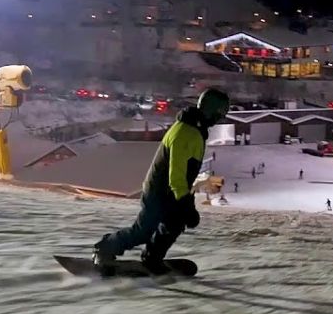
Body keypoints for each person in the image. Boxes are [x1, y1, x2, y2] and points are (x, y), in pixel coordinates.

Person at [93, 89, 231, 274]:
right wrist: (185, 202)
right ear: (211, 111)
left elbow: (185, 173)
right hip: (159, 191)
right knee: (143, 231)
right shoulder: (186, 131)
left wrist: (186, 202)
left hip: (173, 191)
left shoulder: (195, 129)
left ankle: (152, 258)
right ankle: (105, 248)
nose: (219, 119)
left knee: (174, 224)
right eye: (219, 114)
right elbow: (176, 173)